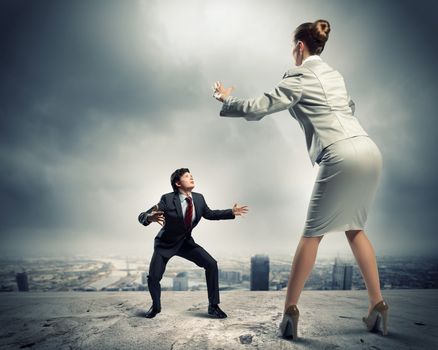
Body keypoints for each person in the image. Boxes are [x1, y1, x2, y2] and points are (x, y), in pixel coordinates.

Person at [212, 19, 388, 339]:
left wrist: (227, 100)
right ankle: (378, 305)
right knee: (355, 228)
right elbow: (348, 107)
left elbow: (263, 105)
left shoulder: (297, 75)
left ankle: (290, 312)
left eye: (293, 48)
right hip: (368, 149)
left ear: (299, 47)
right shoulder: (335, 75)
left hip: (341, 153)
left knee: (311, 235)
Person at [138, 168, 248, 319]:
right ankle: (155, 307)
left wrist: (230, 212)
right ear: (177, 183)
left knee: (211, 264)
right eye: (187, 176)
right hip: (165, 244)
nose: (191, 178)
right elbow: (142, 215)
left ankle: (213, 306)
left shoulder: (199, 199)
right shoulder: (167, 199)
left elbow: (210, 214)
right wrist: (149, 217)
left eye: (192, 176)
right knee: (154, 277)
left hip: (185, 243)